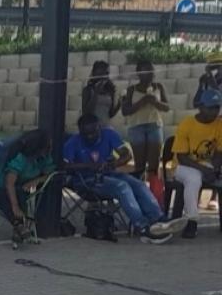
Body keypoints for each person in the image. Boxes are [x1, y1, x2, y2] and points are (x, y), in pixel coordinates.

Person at [63, 113, 185, 244]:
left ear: (99, 127)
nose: (90, 137)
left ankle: (159, 219)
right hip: (85, 180)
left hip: (109, 174)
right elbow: (65, 166)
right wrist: (88, 166)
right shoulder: (73, 142)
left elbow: (127, 155)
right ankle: (143, 226)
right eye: (86, 134)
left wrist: (114, 164)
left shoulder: (109, 134)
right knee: (122, 187)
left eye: (93, 132)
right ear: (80, 131)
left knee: (138, 185)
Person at [0, 128, 56, 246]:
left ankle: (19, 228)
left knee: (21, 192)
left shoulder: (44, 157)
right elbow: (9, 184)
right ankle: (19, 225)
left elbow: (50, 174)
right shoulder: (20, 158)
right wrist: (15, 207)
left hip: (19, 188)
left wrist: (36, 180)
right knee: (6, 197)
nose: (50, 147)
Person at [169, 88, 222, 239]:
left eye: (217, 107)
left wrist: (214, 169)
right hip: (183, 167)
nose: (215, 111)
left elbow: (219, 152)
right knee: (194, 179)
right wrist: (205, 170)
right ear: (201, 107)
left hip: (207, 165)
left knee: (203, 176)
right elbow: (181, 157)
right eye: (211, 107)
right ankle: (192, 221)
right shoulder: (187, 124)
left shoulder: (219, 124)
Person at [122, 60, 170, 184]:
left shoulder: (158, 87)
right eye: (146, 71)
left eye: (151, 71)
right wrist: (142, 101)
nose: (150, 74)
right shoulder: (131, 90)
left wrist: (156, 102)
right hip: (136, 127)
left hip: (154, 125)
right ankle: (140, 189)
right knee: (140, 165)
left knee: (154, 164)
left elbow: (167, 107)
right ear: (139, 73)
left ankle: (154, 191)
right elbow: (125, 111)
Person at [81, 61, 119, 128]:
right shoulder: (88, 90)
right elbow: (86, 112)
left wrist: (119, 104)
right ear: (94, 73)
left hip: (106, 126)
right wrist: (96, 93)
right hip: (92, 128)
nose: (104, 76)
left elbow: (110, 114)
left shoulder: (109, 90)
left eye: (106, 73)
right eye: (101, 73)